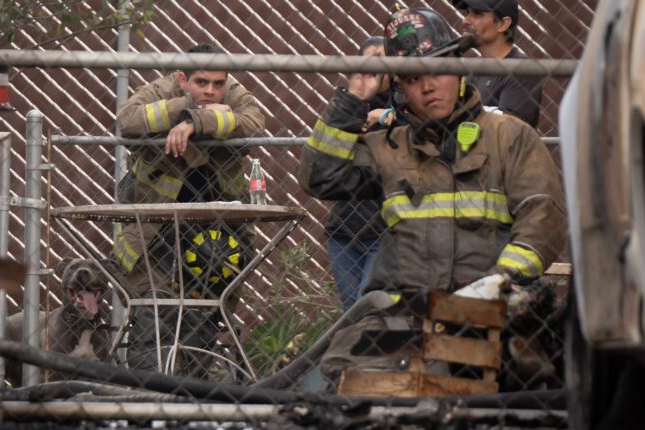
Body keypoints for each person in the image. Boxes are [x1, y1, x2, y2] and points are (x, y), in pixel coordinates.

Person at [298, 7, 566, 379]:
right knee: (341, 379)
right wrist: (356, 94)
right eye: (412, 78)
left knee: (490, 383)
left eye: (437, 70)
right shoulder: (387, 147)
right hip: (405, 318)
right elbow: (320, 177)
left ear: (458, 68)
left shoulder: (510, 136)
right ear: (399, 88)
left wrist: (497, 282)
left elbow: (544, 219)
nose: (427, 87)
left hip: (490, 315)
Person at [115, 43, 265, 377]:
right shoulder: (161, 90)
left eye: (217, 84)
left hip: (215, 232)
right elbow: (127, 120)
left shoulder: (233, 90)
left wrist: (196, 122)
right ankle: (148, 402)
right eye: (201, 83)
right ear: (183, 79)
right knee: (155, 314)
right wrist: (183, 108)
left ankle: (192, 400)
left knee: (202, 317)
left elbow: (254, 121)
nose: (211, 90)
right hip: (155, 230)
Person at [325, 36, 397, 311]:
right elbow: (326, 156)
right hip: (344, 231)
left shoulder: (403, 101)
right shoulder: (349, 104)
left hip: (383, 232)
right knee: (350, 316)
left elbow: (412, 126)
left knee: (367, 313)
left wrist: (382, 115)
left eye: (384, 59)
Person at [453, 0, 543, 128]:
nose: (465, 20)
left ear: (503, 24)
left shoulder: (521, 70)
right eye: (467, 13)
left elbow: (509, 129)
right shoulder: (472, 70)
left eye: (478, 14)